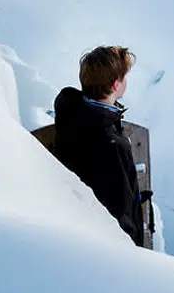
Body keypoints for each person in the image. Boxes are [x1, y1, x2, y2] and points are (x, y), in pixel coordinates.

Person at [52, 45, 146, 246]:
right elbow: (119, 213)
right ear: (115, 85)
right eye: (124, 76)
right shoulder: (110, 142)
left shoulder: (73, 115)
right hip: (111, 250)